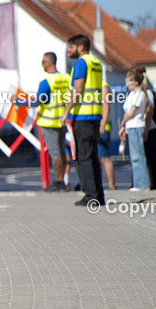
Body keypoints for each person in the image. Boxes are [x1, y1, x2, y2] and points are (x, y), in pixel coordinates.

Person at [15, 53, 71, 192]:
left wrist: (17, 101)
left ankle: (59, 182)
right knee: (62, 153)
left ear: (48, 63)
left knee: (55, 153)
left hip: (49, 122)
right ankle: (62, 181)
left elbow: (36, 102)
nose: (42, 65)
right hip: (63, 121)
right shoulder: (66, 78)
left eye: (43, 62)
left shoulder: (46, 82)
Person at [61, 34, 106, 206]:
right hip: (95, 116)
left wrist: (66, 112)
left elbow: (78, 89)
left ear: (80, 47)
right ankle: (98, 195)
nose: (68, 50)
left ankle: (91, 196)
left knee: (83, 158)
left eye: (71, 47)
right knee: (93, 157)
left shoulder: (81, 62)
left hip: (83, 116)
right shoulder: (96, 62)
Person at [118, 68, 150, 191]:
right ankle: (138, 183)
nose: (127, 85)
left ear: (135, 81)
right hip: (130, 127)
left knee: (139, 157)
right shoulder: (131, 94)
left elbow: (131, 112)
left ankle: (143, 184)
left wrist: (122, 123)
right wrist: (124, 127)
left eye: (128, 82)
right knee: (134, 157)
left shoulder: (140, 94)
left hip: (136, 126)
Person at [139, 68, 156, 189]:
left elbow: (149, 112)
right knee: (143, 157)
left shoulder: (148, 93)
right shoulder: (136, 93)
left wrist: (146, 131)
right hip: (142, 129)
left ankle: (153, 184)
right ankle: (143, 182)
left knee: (151, 156)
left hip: (150, 129)